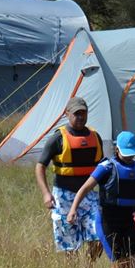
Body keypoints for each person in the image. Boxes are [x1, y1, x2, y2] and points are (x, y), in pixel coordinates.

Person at [68, 131, 135, 268]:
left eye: (132, 154)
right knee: (119, 263)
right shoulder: (106, 167)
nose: (130, 157)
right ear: (117, 150)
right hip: (108, 220)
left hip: (127, 220)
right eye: (127, 154)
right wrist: (73, 209)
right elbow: (85, 188)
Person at [35, 96, 104, 259]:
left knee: (99, 235)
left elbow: (102, 166)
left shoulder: (95, 137)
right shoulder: (58, 138)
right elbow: (40, 166)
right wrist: (46, 193)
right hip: (64, 196)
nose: (80, 117)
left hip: (89, 196)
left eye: (83, 113)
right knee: (69, 243)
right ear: (67, 114)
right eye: (76, 113)